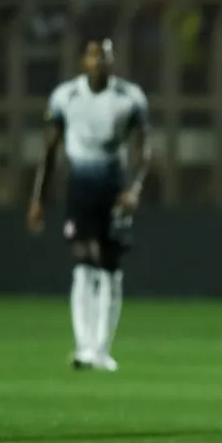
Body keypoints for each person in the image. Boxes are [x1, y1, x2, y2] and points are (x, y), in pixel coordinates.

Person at [27, 39, 150, 372]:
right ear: (84, 61)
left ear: (113, 60)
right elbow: (49, 151)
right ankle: (83, 348)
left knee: (109, 266)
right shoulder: (65, 97)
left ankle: (102, 349)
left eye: (107, 55)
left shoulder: (130, 97)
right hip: (79, 188)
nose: (101, 62)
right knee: (82, 263)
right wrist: (38, 198)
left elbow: (144, 148)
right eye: (95, 55)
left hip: (113, 188)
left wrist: (134, 190)